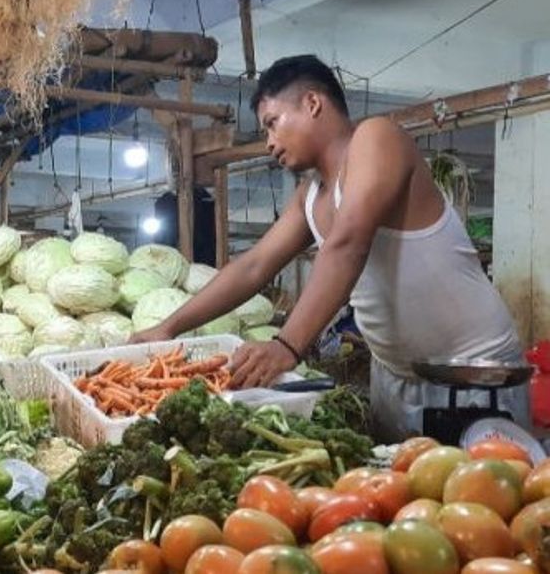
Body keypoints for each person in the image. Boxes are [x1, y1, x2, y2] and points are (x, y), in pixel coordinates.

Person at [130, 54, 527, 443]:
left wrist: (287, 345)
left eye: (272, 124)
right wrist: (168, 328)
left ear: (313, 103)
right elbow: (254, 267)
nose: (269, 143)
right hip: (395, 377)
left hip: (474, 374)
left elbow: (349, 241)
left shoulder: (377, 138)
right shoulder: (310, 195)